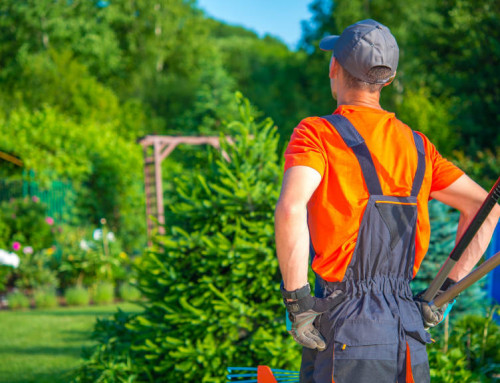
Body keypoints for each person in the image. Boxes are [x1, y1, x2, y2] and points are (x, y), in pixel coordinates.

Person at [274, 19, 500, 383]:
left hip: (345, 326)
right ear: (388, 80)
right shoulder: (418, 147)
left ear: (335, 68)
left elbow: (290, 207)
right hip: (407, 331)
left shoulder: (316, 134)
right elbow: (485, 208)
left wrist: (297, 301)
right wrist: (443, 292)